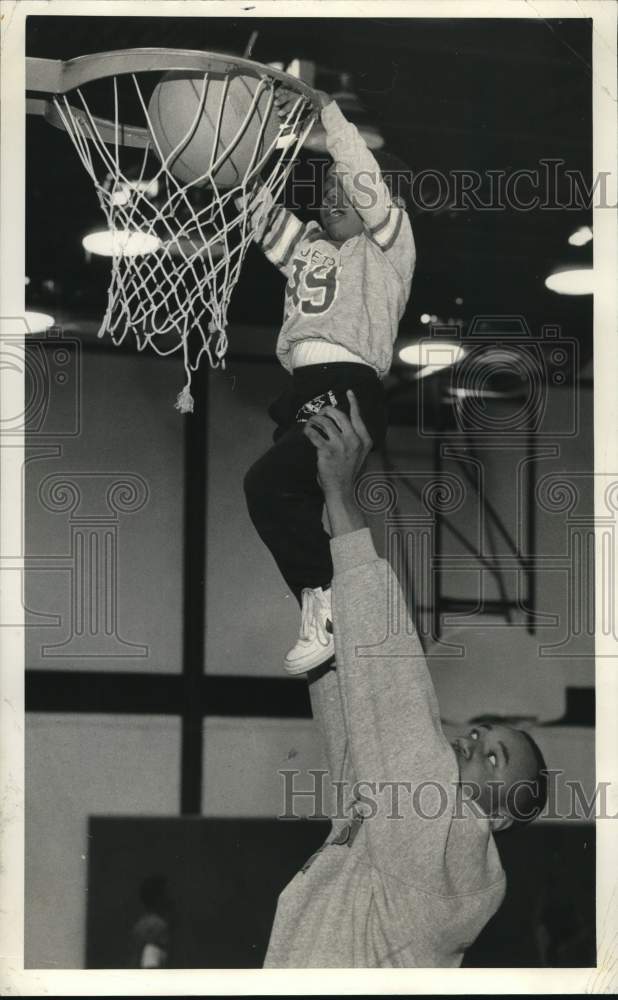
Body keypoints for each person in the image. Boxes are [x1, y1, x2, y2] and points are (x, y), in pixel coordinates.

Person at [263, 392, 549, 969]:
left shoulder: (455, 863)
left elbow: (392, 692)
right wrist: (319, 584)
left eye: (493, 758)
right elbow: (358, 726)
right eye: (481, 733)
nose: (471, 741)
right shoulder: (394, 831)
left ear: (496, 818)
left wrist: (343, 496)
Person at [243, 85, 415, 675]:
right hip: (304, 393)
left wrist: (329, 116)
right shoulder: (308, 249)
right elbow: (254, 205)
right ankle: (326, 600)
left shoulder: (388, 248)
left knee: (264, 485)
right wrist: (238, 143)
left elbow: (363, 178)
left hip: (347, 385)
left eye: (347, 191)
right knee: (279, 494)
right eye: (328, 191)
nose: (333, 197)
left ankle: (326, 598)